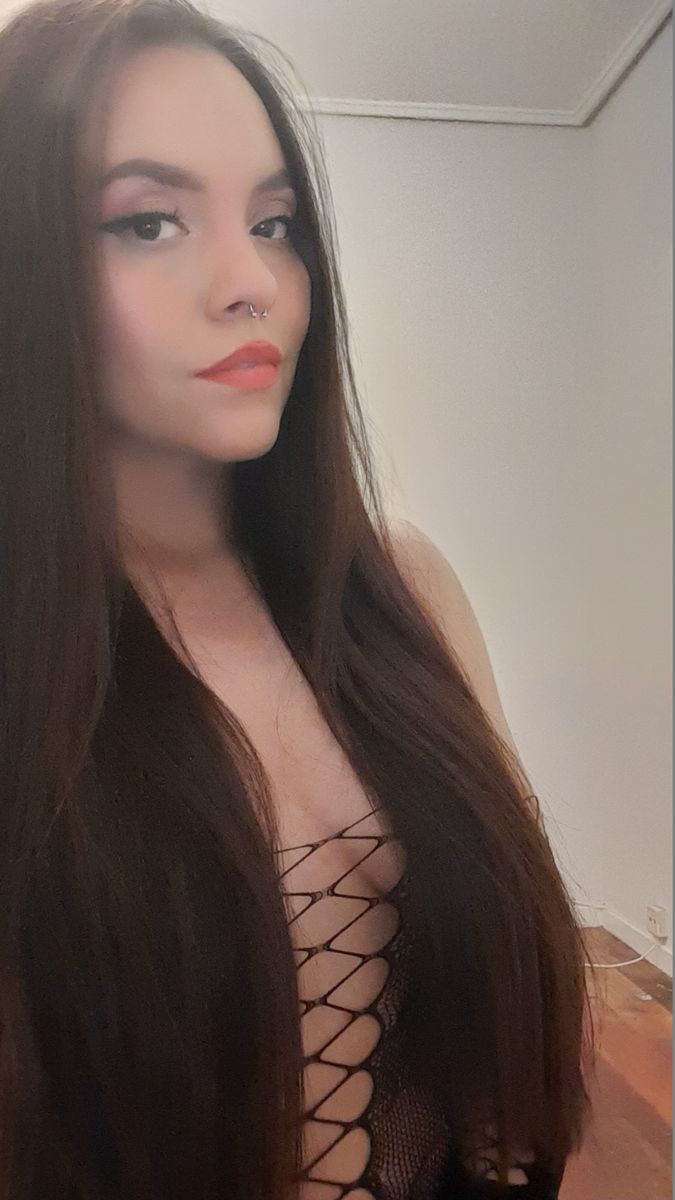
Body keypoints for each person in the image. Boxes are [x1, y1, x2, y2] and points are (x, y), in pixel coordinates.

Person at [0, 0, 597, 1196]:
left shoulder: (404, 586)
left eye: (275, 224)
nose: (252, 283)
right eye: (149, 222)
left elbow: (526, 1000)